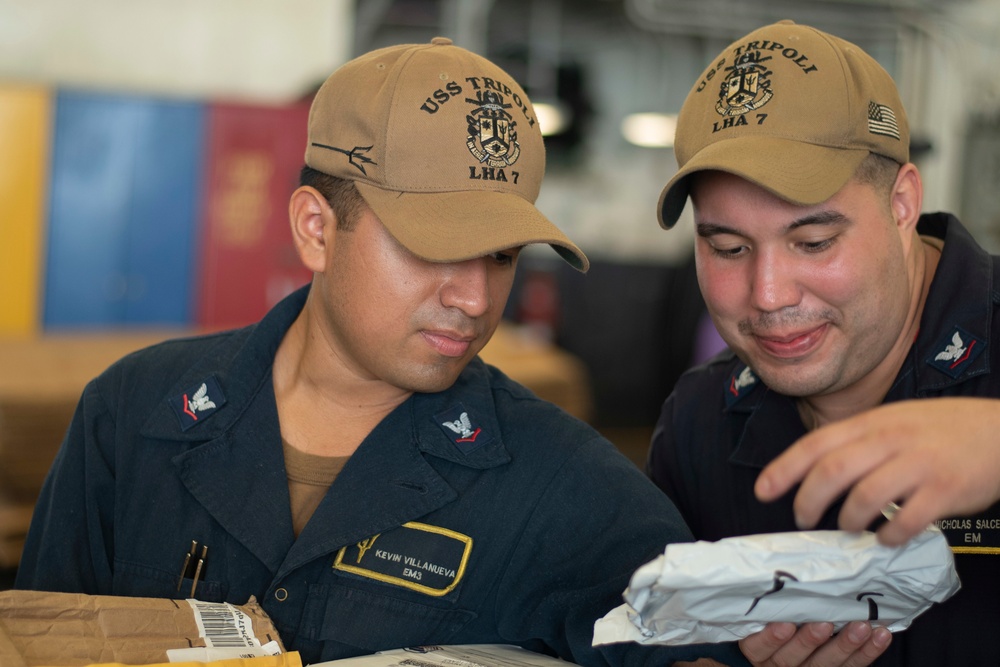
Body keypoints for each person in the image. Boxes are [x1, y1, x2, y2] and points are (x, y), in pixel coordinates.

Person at [15, 38, 749, 666]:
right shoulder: (133, 418)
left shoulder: (565, 487)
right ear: (316, 228)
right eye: (434, 246)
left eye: (500, 255)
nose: (473, 297)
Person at [647, 19, 1000, 667]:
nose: (770, 294)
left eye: (813, 242)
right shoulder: (700, 423)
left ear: (901, 204)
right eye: (727, 247)